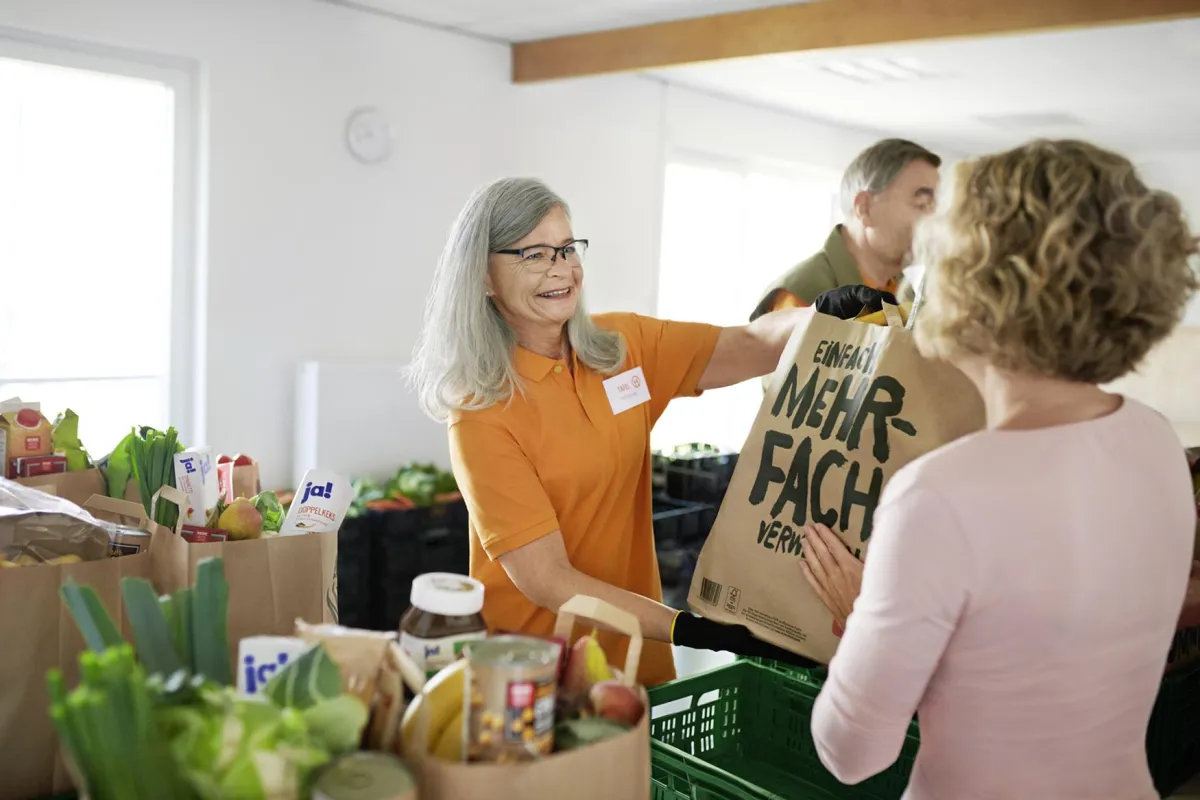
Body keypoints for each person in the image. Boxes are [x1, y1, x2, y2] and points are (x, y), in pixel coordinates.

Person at [800, 139, 1199, 799]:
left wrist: (863, 610)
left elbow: (851, 753)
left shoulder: (940, 497)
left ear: (976, 283)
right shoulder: (1154, 440)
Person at [408, 177, 816, 687]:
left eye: (566, 248)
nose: (561, 269)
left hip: (634, 665)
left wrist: (821, 318)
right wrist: (690, 629)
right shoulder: (482, 414)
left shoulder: (620, 347)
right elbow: (547, 581)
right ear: (484, 278)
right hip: (536, 677)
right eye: (533, 254)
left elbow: (751, 343)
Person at [749, 138, 942, 322]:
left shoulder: (913, 292)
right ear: (864, 208)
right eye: (922, 204)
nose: (934, 220)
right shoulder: (800, 296)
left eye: (936, 207)